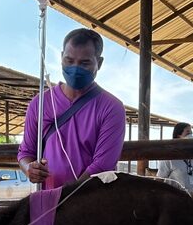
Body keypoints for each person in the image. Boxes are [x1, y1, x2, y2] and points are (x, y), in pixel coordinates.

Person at [18, 28, 127, 188]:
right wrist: (29, 168)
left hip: (91, 200)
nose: (75, 68)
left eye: (84, 63)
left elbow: (102, 165)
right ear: (61, 57)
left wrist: (66, 197)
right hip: (46, 200)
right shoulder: (40, 103)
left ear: (100, 63)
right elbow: (25, 152)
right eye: (69, 61)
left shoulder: (112, 108)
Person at [156, 123, 193, 193]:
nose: (191, 135)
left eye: (191, 132)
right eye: (188, 132)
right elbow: (159, 179)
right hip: (174, 199)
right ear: (178, 135)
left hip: (192, 198)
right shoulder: (169, 157)